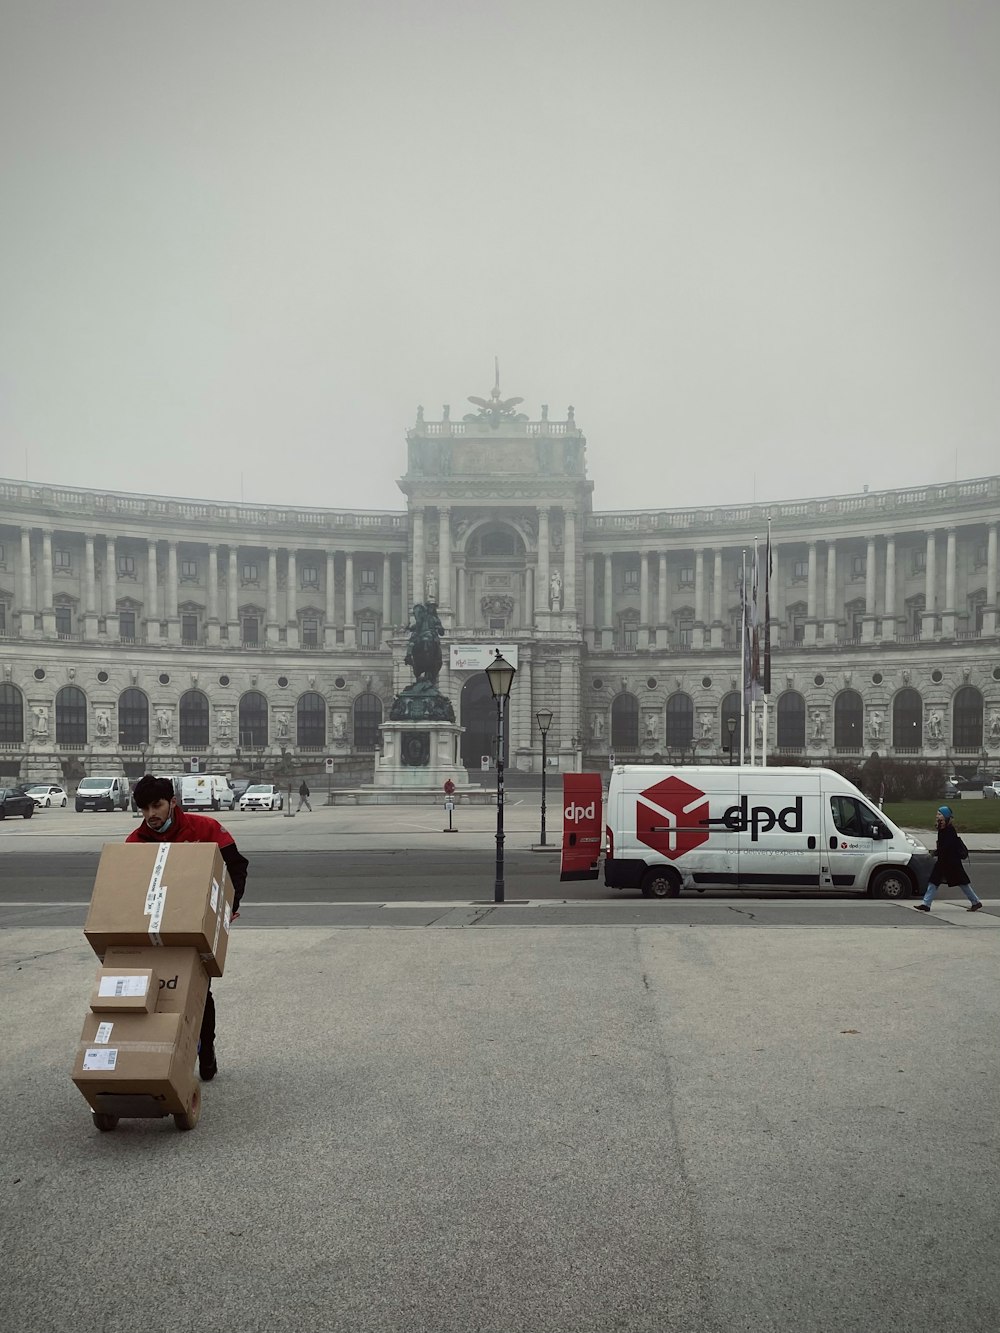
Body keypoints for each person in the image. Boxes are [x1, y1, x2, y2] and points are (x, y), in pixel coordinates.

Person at [127, 774, 249, 1079]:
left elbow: (236, 866)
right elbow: (124, 885)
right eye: (144, 809)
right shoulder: (135, 841)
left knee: (198, 992)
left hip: (193, 927)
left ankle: (206, 1051)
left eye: (157, 806)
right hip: (153, 930)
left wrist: (227, 909)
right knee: (154, 993)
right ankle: (158, 1058)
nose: (151, 815)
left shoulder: (204, 828)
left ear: (172, 803)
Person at [913, 806, 982, 913]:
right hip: (943, 862)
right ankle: (926, 904)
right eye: (937, 814)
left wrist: (936, 852)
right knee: (933, 881)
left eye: (939, 814)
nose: (937, 816)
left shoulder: (950, 830)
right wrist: (938, 852)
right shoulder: (942, 828)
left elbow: (948, 846)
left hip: (952, 862)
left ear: (946, 816)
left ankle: (975, 901)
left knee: (963, 883)